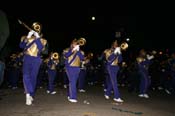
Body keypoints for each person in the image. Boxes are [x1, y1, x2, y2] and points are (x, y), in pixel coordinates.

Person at [19, 22, 47, 105]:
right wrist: (28, 37)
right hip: (27, 58)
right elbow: (21, 46)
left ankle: (31, 94)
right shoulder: (26, 37)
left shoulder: (43, 40)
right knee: (25, 75)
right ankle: (28, 94)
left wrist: (37, 38)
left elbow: (41, 48)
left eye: (38, 29)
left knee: (33, 77)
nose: (36, 30)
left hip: (36, 59)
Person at [63, 38, 85, 103]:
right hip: (69, 67)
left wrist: (78, 51)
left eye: (77, 43)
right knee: (72, 81)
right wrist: (72, 50)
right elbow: (66, 55)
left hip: (77, 68)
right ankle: (73, 97)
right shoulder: (67, 50)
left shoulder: (81, 51)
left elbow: (82, 58)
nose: (75, 44)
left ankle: (69, 94)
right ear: (72, 44)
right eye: (74, 43)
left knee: (73, 82)